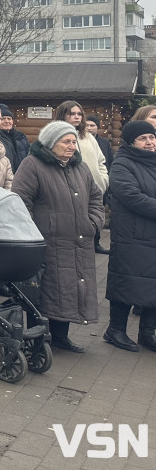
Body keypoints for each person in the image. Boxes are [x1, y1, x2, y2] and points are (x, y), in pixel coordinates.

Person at [12, 120, 103, 353]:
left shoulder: (79, 167)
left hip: (79, 240)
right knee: (44, 290)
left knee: (71, 287)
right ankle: (36, 340)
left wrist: (92, 222)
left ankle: (61, 337)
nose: (72, 146)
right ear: (52, 143)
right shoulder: (32, 164)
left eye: (74, 141)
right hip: (46, 240)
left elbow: (95, 197)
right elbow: (20, 201)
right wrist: (32, 232)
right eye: (66, 141)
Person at [103, 121, 156, 352]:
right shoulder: (122, 164)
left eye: (152, 137)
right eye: (143, 138)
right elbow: (132, 197)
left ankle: (147, 333)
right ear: (131, 142)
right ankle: (115, 330)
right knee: (125, 281)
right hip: (131, 235)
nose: (149, 142)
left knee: (154, 284)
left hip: (151, 233)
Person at [54, 100, 108, 197]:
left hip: (94, 192)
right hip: (67, 195)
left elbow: (101, 162)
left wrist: (102, 182)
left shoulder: (88, 137)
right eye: (72, 114)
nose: (77, 117)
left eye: (79, 114)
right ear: (63, 115)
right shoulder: (54, 137)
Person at [85, 115, 114, 255]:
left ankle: (96, 243)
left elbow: (108, 162)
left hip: (100, 186)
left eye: (92, 125)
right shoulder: (81, 141)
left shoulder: (104, 143)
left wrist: (105, 181)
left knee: (98, 216)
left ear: (97, 127)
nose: (89, 128)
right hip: (84, 185)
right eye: (87, 125)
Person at [0, 105, 30, 174]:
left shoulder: (21, 136)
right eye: (3, 119)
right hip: (4, 175)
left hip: (22, 174)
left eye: (9, 119)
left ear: (12, 121)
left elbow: (28, 155)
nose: (6, 121)